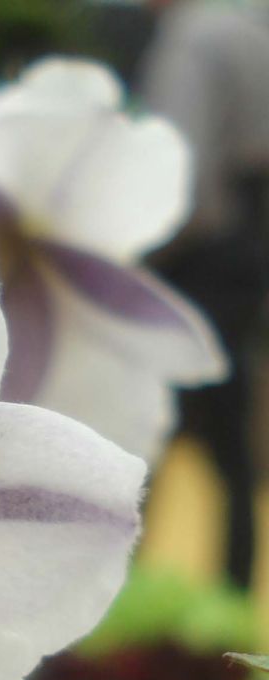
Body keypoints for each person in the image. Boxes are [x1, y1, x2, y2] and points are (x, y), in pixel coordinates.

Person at [140, 0, 269, 589]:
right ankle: (235, 591)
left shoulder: (192, 37)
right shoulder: (251, 27)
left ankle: (119, 593)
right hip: (248, 244)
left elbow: (179, 176)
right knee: (231, 442)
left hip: (198, 257)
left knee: (147, 431)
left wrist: (140, 258)